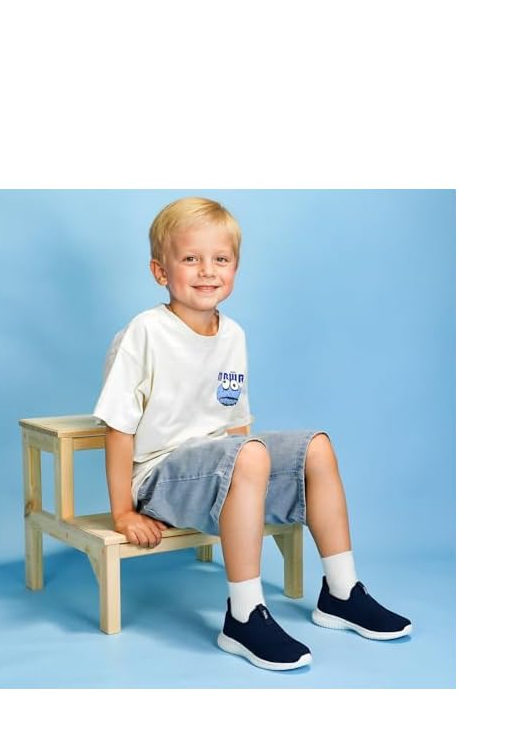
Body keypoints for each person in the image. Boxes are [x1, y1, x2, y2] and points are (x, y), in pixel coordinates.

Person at [92, 197, 411, 671]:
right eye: (190, 258)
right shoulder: (146, 332)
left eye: (220, 259)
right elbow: (118, 427)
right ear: (161, 272)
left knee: (316, 447)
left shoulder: (234, 335)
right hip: (159, 478)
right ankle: (243, 616)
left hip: (219, 468)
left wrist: (253, 476)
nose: (207, 271)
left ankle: (341, 592)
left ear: (235, 269)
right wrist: (122, 511)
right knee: (249, 455)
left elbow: (236, 423)